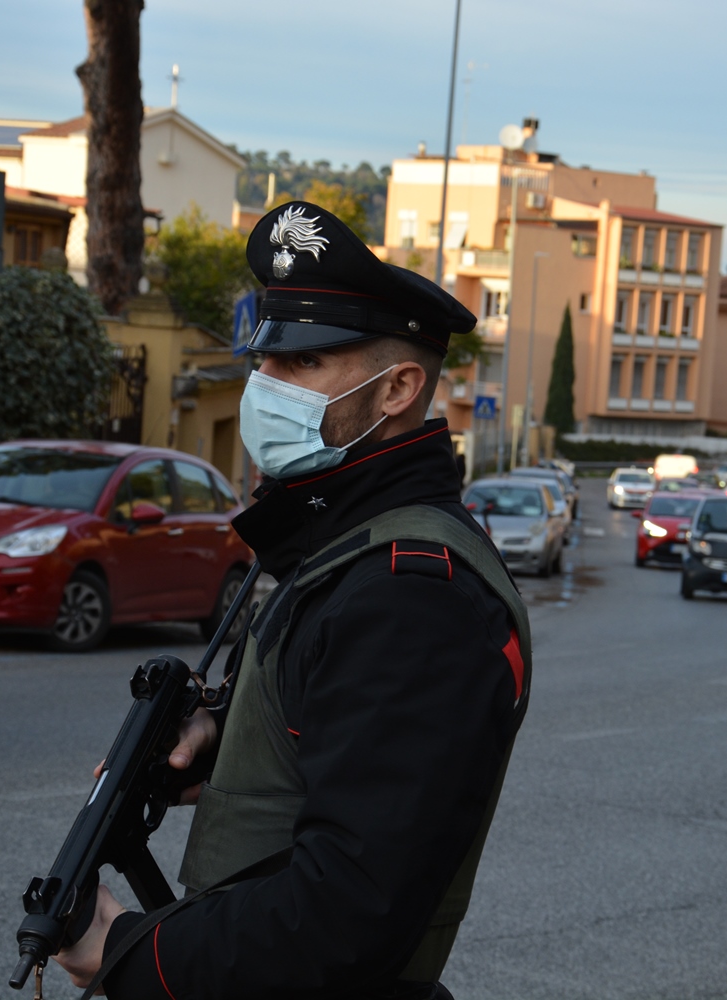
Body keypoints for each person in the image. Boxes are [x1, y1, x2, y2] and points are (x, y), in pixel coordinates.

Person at [52, 202, 532, 999]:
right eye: (264, 361)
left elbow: (349, 912)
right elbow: (327, 728)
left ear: (399, 388)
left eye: (302, 366)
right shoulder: (346, 542)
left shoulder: (411, 593)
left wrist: (130, 951)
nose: (264, 387)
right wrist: (221, 741)